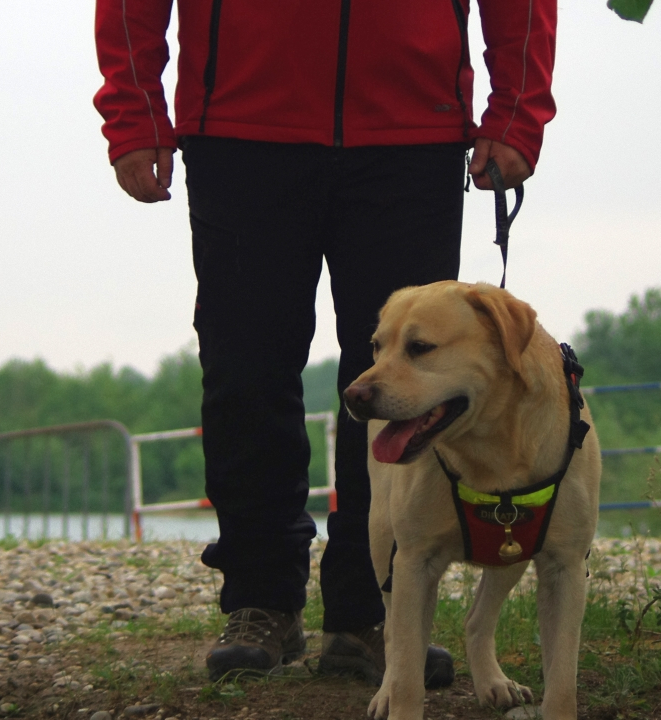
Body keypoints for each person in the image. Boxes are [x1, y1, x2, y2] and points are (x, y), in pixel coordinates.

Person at [93, 0, 557, 684]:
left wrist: (517, 114)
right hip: (242, 128)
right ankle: (259, 599)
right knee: (245, 372)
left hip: (411, 133)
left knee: (405, 389)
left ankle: (373, 609)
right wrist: (135, 113)